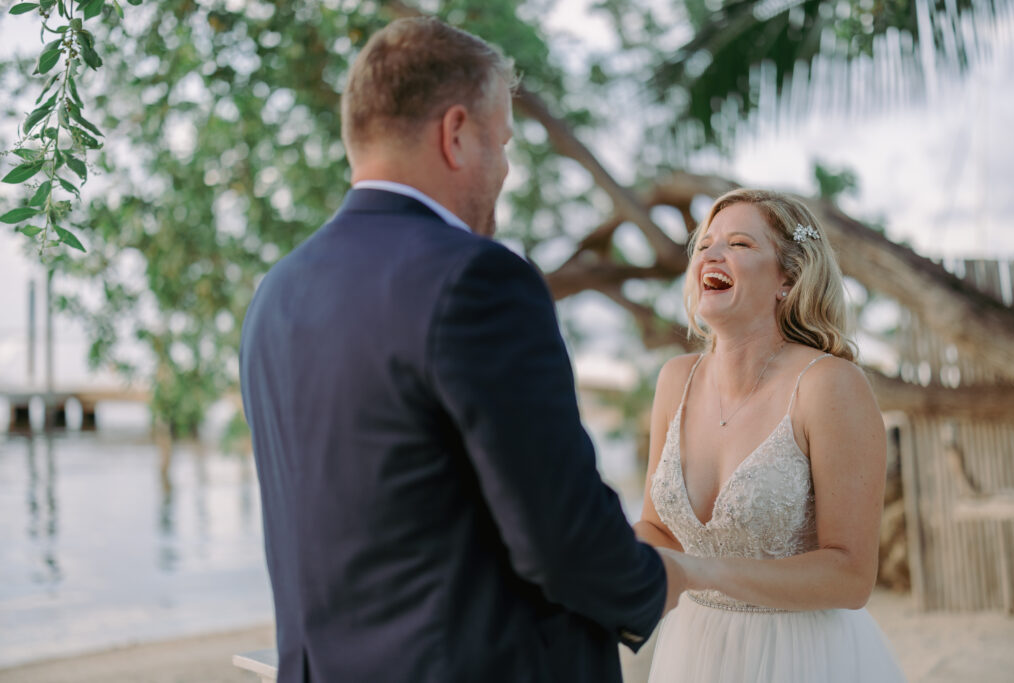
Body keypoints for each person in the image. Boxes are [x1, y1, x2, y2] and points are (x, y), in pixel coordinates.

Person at [239, 17, 685, 683]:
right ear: (455, 134)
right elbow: (561, 537)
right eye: (501, 143)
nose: (504, 169)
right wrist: (659, 583)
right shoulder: (478, 278)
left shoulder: (275, 295)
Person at [635, 188, 906, 682]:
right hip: (692, 653)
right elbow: (659, 530)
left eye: (739, 244)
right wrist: (589, 550)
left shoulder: (828, 384)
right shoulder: (675, 379)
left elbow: (851, 576)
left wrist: (698, 573)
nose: (712, 254)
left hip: (802, 656)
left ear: (787, 277)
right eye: (704, 244)